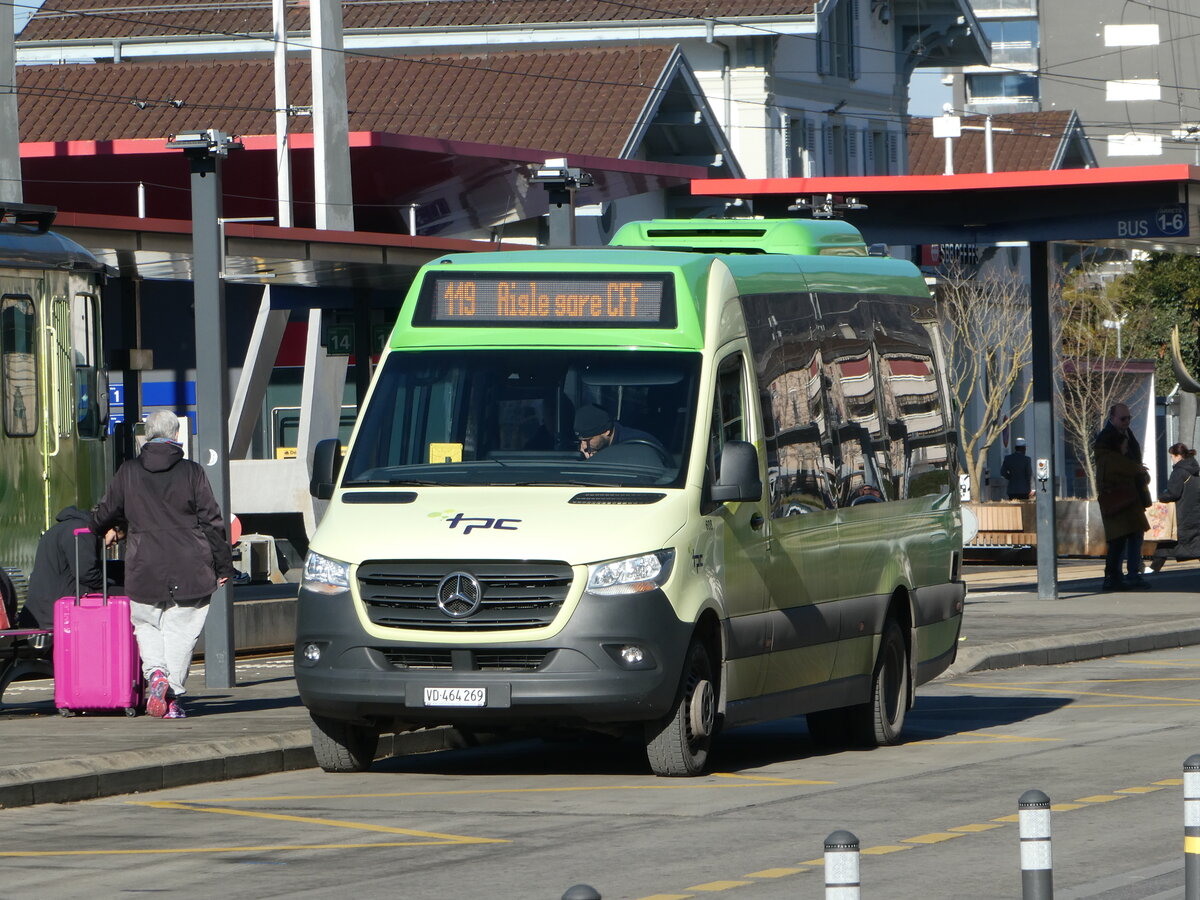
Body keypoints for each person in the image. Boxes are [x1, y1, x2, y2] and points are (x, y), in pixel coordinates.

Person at [91, 410, 237, 719]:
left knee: (146, 625)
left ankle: (156, 673)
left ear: (146, 435)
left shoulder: (128, 471)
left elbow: (106, 511)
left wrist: (101, 527)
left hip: (143, 565)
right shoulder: (192, 472)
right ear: (176, 435)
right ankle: (172, 697)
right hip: (191, 566)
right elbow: (212, 522)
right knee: (180, 632)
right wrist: (224, 566)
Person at [17, 506, 105, 630]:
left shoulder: (64, 527)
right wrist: (109, 583)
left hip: (40, 612)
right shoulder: (82, 530)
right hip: (54, 614)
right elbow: (86, 573)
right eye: (116, 537)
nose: (112, 543)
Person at [1094, 403, 1151, 591]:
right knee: (1120, 539)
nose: (1127, 421)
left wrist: (1139, 472)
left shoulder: (1123, 434)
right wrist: (1137, 469)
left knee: (1131, 536)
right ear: (1112, 418)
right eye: (1123, 418)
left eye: (1129, 418)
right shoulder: (1108, 439)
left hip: (1128, 495)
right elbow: (1113, 466)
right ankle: (1118, 576)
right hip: (1119, 497)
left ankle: (1127, 575)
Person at [1150, 443, 1200, 573]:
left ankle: (1154, 568)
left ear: (1178, 456)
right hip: (1194, 513)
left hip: (1180, 514)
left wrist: (1161, 497)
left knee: (1168, 540)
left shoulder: (1179, 472)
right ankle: (1154, 567)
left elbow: (1173, 493)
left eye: (1172, 456)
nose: (1171, 459)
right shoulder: (1195, 471)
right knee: (1194, 543)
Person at [573, 404, 664, 460]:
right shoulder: (589, 448)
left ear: (606, 432)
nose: (583, 446)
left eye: (587, 440)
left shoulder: (638, 446)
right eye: (581, 441)